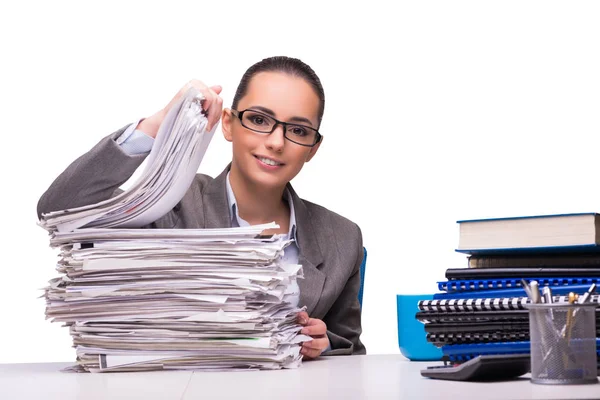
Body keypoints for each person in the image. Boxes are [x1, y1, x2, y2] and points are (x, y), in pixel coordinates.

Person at [37, 56, 366, 358]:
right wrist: (160, 124)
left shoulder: (342, 238)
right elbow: (59, 208)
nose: (276, 142)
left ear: (312, 148)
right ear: (228, 123)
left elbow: (350, 350)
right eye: (259, 119)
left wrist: (324, 345)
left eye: (297, 130)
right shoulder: (171, 205)